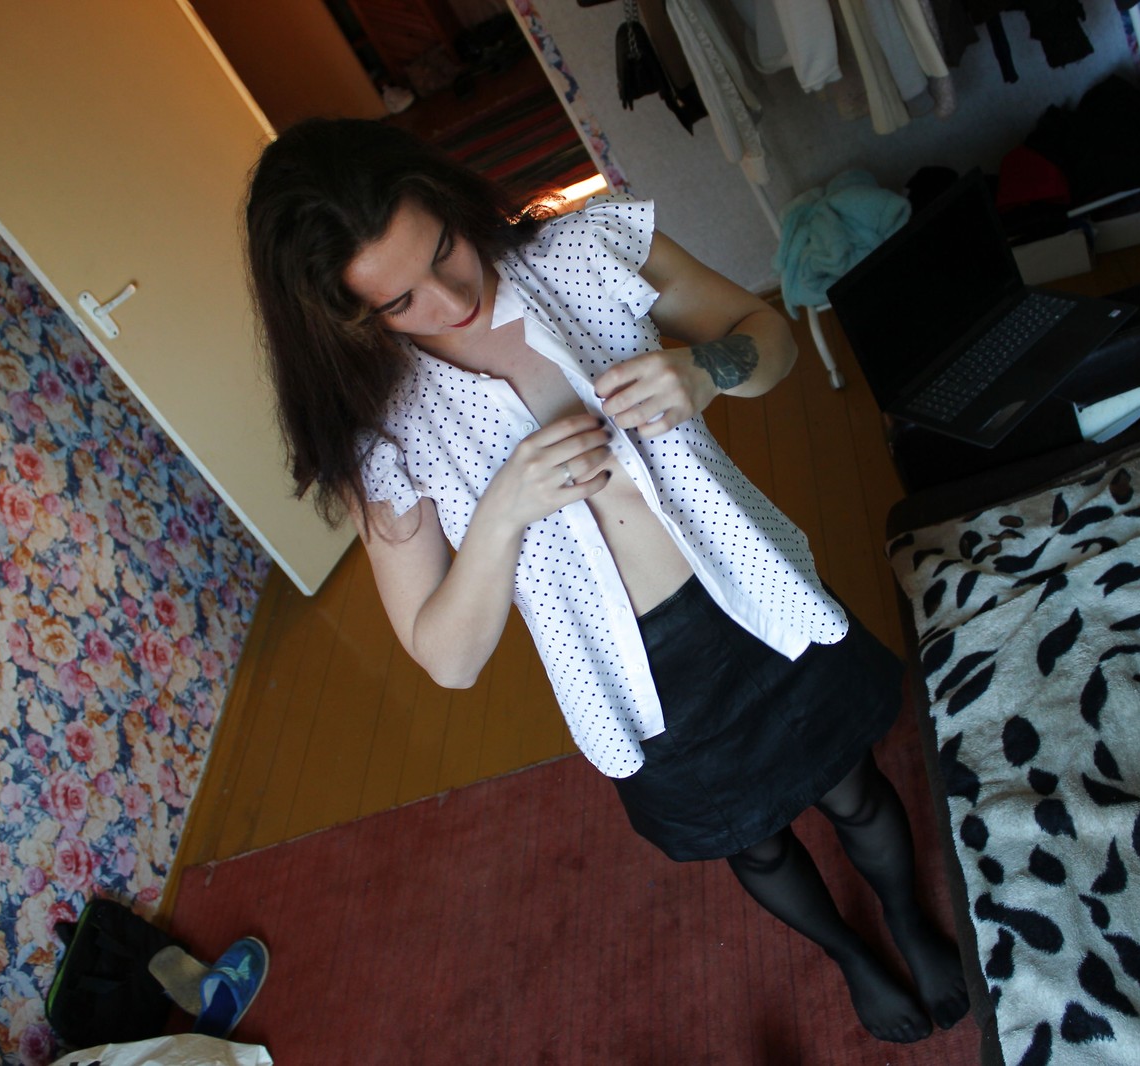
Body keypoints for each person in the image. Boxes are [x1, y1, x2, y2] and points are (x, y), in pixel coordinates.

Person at [244, 118, 968, 1044]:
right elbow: (448, 659)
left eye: (445, 248)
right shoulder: (384, 436)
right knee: (754, 843)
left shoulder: (589, 247)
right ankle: (851, 955)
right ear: (343, 320)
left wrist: (706, 370)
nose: (453, 298)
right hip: (632, 679)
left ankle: (905, 915)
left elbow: (770, 339)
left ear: (452, 200)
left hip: (751, 595)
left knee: (852, 787)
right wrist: (501, 512)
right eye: (400, 302)